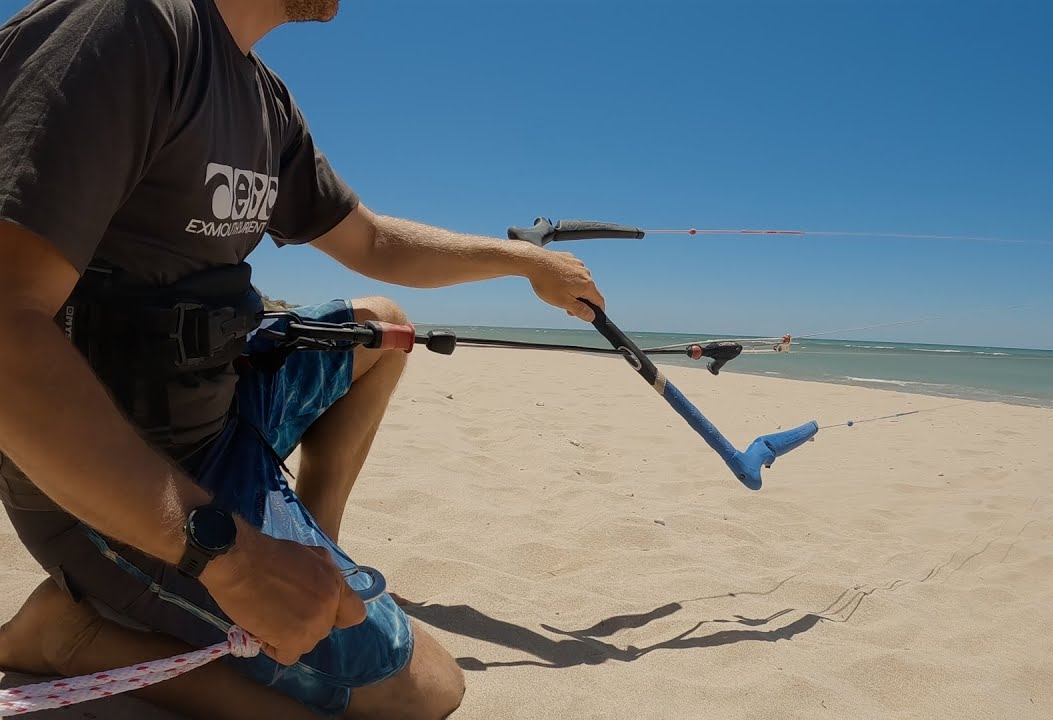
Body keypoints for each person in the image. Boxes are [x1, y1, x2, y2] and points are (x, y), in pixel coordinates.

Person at [0, 0, 607, 717]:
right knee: (420, 693)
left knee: (383, 330)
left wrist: (521, 261)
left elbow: (373, 242)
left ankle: (314, 559)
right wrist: (230, 557)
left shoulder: (264, 99)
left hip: (221, 406)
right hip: (119, 479)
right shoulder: (127, 27)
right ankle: (69, 637)